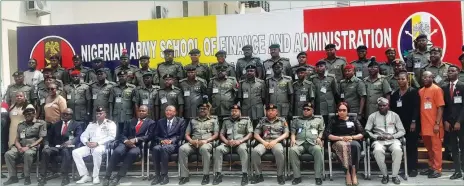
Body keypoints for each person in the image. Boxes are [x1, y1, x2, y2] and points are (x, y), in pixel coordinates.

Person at [104, 105, 154, 186]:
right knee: (117, 151)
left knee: (132, 153)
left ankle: (118, 176)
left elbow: (150, 136)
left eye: (143, 111)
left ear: (147, 113)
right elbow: (122, 134)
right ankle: (107, 176)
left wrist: (136, 140)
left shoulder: (151, 123)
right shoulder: (130, 121)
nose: (141, 112)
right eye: (140, 110)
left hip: (138, 145)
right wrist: (126, 141)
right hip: (125, 143)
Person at [365, 98, 405, 184]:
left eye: (384, 105)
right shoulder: (372, 116)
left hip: (393, 139)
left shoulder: (395, 115)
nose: (382, 107)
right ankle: (385, 175)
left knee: (398, 151)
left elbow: (402, 131)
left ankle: (394, 176)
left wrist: (393, 136)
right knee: (378, 150)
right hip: (379, 140)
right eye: (380, 106)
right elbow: (367, 131)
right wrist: (376, 137)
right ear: (377, 106)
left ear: (388, 106)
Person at [38, 108, 84, 186]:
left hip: (68, 147)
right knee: (46, 151)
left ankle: (65, 176)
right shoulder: (56, 124)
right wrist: (46, 144)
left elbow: (79, 136)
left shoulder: (76, 124)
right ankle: (43, 177)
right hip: (56, 147)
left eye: (67, 114)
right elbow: (47, 137)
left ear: (71, 115)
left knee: (65, 152)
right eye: (63, 114)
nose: (65, 115)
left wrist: (71, 141)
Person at [3, 105, 47, 185]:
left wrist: (28, 147)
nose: (27, 115)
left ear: (34, 114)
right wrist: (19, 147)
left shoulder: (41, 123)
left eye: (29, 114)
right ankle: (13, 177)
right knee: (8, 154)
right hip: (20, 146)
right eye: (26, 114)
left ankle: (27, 177)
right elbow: (17, 139)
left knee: (28, 153)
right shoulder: (21, 124)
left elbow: (41, 138)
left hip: (32, 147)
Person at [72, 107, 117, 184]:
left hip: (102, 146)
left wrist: (98, 143)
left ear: (105, 114)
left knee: (97, 151)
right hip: (90, 145)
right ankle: (85, 175)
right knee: (75, 152)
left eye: (100, 113)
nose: (98, 115)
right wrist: (86, 142)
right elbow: (83, 136)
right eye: (97, 114)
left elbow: (112, 137)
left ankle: (95, 176)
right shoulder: (91, 124)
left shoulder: (110, 124)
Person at [178, 102, 219, 185]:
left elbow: (216, 134)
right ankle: (185, 176)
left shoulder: (213, 120)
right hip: (193, 142)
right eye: (200, 109)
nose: (202, 110)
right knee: (182, 149)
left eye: (205, 109)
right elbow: (187, 134)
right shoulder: (192, 120)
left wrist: (206, 141)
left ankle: (206, 175)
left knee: (204, 149)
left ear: (208, 110)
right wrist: (191, 141)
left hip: (206, 142)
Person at [212, 105, 253, 186]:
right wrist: (226, 141)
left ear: (240, 112)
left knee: (243, 150)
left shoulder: (246, 120)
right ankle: (218, 174)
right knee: (218, 149)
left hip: (240, 143)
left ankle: (245, 175)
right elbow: (221, 134)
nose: (233, 113)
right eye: (232, 111)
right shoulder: (226, 121)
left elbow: (250, 134)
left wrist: (240, 141)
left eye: (236, 111)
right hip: (228, 144)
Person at [325, 102, 364, 186]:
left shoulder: (353, 119)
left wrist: (352, 137)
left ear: (347, 111)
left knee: (355, 146)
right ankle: (347, 173)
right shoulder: (333, 120)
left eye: (344, 110)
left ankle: (353, 172)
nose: (341, 112)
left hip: (351, 140)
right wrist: (340, 138)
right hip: (338, 142)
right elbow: (327, 134)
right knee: (344, 146)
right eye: (339, 110)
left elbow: (362, 133)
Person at [390, 71, 420, 177]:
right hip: (399, 125)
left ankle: (413, 168)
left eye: (403, 79)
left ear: (408, 80)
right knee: (402, 147)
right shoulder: (395, 94)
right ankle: (405, 167)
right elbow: (392, 110)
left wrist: (413, 122)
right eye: (398, 79)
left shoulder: (413, 92)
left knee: (412, 145)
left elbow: (416, 108)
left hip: (411, 124)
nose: (400, 81)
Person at [251, 104, 289, 185]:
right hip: (264, 142)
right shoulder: (262, 121)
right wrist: (263, 142)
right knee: (255, 151)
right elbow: (256, 134)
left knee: (279, 151)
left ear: (277, 112)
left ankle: (280, 175)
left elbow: (286, 133)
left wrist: (275, 141)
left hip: (276, 142)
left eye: (273, 110)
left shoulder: (282, 121)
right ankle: (258, 175)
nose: (270, 112)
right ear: (266, 112)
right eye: (268, 111)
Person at [290, 102, 324, 185]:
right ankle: (297, 177)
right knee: (292, 150)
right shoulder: (296, 120)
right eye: (304, 109)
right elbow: (293, 132)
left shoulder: (318, 120)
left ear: (312, 110)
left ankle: (318, 177)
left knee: (318, 150)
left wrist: (319, 138)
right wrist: (293, 139)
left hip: (313, 143)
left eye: (308, 109)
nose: (305, 111)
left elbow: (321, 130)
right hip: (300, 143)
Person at [418, 71, 445, 178]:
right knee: (429, 148)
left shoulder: (437, 89)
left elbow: (441, 107)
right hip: (424, 126)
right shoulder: (420, 91)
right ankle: (431, 167)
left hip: (435, 126)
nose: (425, 79)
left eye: (427, 77)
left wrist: (437, 124)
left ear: (432, 77)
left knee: (436, 148)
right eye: (423, 77)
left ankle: (437, 169)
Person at [151, 105, 185, 185]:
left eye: (170, 110)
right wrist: (162, 141)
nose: (168, 112)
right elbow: (155, 135)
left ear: (175, 112)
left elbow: (181, 135)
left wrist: (171, 141)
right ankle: (157, 176)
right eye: (166, 110)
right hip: (162, 143)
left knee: (164, 149)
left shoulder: (180, 121)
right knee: (155, 148)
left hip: (174, 145)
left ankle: (164, 175)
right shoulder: (160, 122)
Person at [441, 65, 464, 180]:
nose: (450, 72)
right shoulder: (444, 87)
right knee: (453, 148)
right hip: (449, 123)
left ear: (458, 73)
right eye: (448, 71)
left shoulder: (462, 86)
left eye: (453, 71)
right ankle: (457, 171)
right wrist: (445, 120)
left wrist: (459, 121)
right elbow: (443, 106)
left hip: (461, 122)